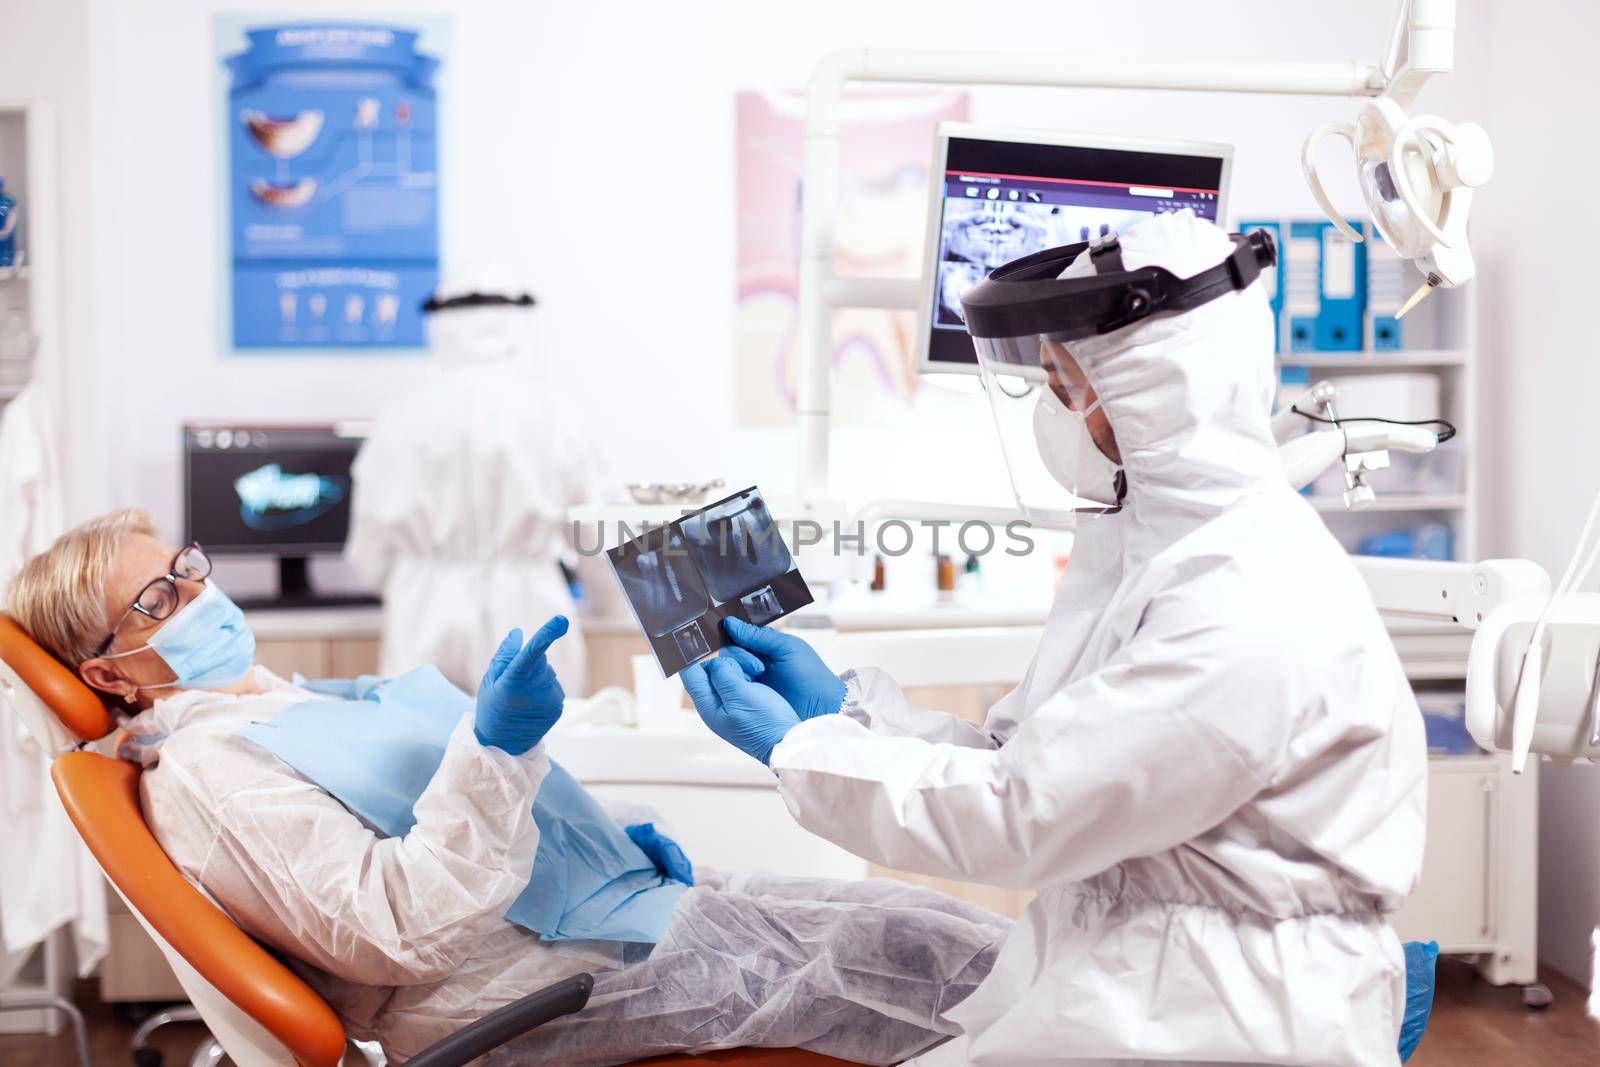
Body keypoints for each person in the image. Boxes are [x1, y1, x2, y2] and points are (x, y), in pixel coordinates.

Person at [682, 210, 1429, 1065]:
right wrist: (849, 713)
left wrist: (802, 748)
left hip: (1224, 1019)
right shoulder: (1157, 555)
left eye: (1061, 385)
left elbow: (1025, 810)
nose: (1051, 411)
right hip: (1133, 986)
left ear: (1144, 393)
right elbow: (1030, 754)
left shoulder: (1245, 599)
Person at [5, 508, 1011, 1065]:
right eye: (156, 599)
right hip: (536, 992)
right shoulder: (214, 773)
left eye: (186, 565)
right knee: (971, 980)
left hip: (588, 924)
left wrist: (604, 839)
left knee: (944, 928)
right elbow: (395, 927)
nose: (196, 594)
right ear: (105, 672)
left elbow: (437, 818)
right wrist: (493, 747)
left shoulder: (275, 701)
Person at [346, 282, 613, 696]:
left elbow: (369, 545)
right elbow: (595, 529)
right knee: (536, 748)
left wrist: (405, 580)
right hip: (528, 601)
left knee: (424, 747)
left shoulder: (402, 415)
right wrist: (605, 605)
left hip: (424, 605)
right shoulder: (553, 414)